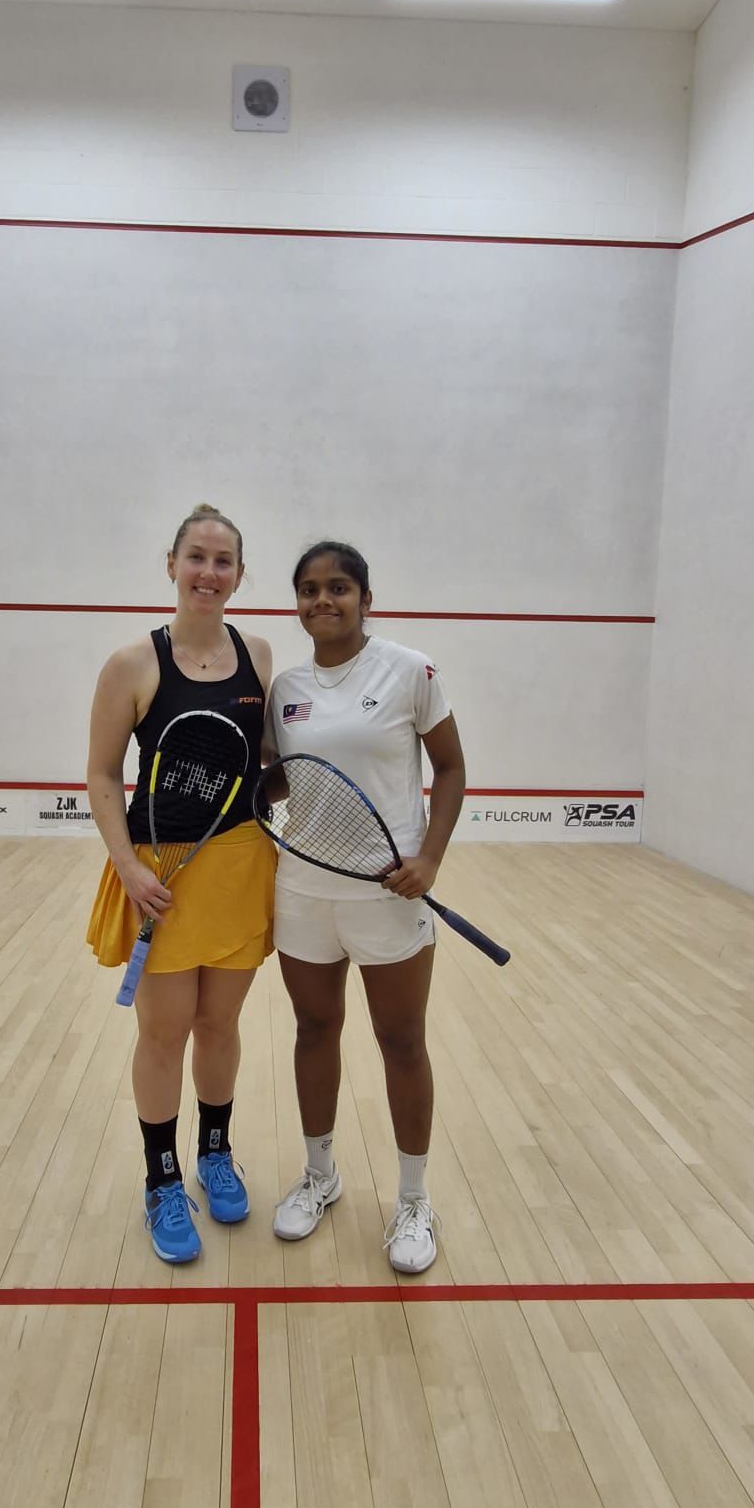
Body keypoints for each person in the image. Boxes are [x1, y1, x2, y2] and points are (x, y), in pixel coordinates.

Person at [266, 541, 466, 1272]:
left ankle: (413, 1200)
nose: (323, 599)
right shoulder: (285, 687)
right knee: (313, 1028)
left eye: (339, 587)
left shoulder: (410, 671)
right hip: (304, 889)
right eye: (309, 589)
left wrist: (429, 858)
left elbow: (451, 767)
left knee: (401, 1040)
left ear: (365, 598)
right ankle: (320, 1177)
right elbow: (282, 780)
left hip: (388, 893)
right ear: (298, 602)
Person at [86, 505, 274, 1263]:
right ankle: (162, 1180)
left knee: (220, 1026)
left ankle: (214, 1153)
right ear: (171, 564)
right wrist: (128, 868)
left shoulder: (259, 655)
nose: (209, 572)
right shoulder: (132, 665)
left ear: (239, 574)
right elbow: (103, 776)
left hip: (240, 866)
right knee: (163, 1032)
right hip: (158, 874)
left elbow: (263, 767)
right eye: (196, 556)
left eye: (224, 561)